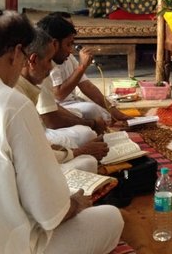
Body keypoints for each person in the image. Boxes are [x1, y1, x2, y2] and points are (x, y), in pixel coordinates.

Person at [0, 9, 123, 253]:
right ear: (17, 53)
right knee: (111, 218)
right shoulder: (11, 104)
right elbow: (49, 214)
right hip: (0, 246)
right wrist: (75, 205)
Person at [15, 27, 109, 172]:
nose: (51, 67)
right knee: (88, 162)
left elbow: (39, 140)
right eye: (48, 61)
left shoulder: (25, 83)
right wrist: (79, 151)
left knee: (87, 134)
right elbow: (32, 154)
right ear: (32, 60)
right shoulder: (15, 97)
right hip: (27, 167)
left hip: (41, 147)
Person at [36, 12, 131, 124]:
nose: (71, 50)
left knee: (102, 112)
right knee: (93, 114)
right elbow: (59, 95)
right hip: (56, 110)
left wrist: (115, 112)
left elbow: (87, 86)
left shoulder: (68, 57)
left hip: (69, 105)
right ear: (55, 43)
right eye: (68, 44)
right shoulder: (45, 63)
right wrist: (82, 67)